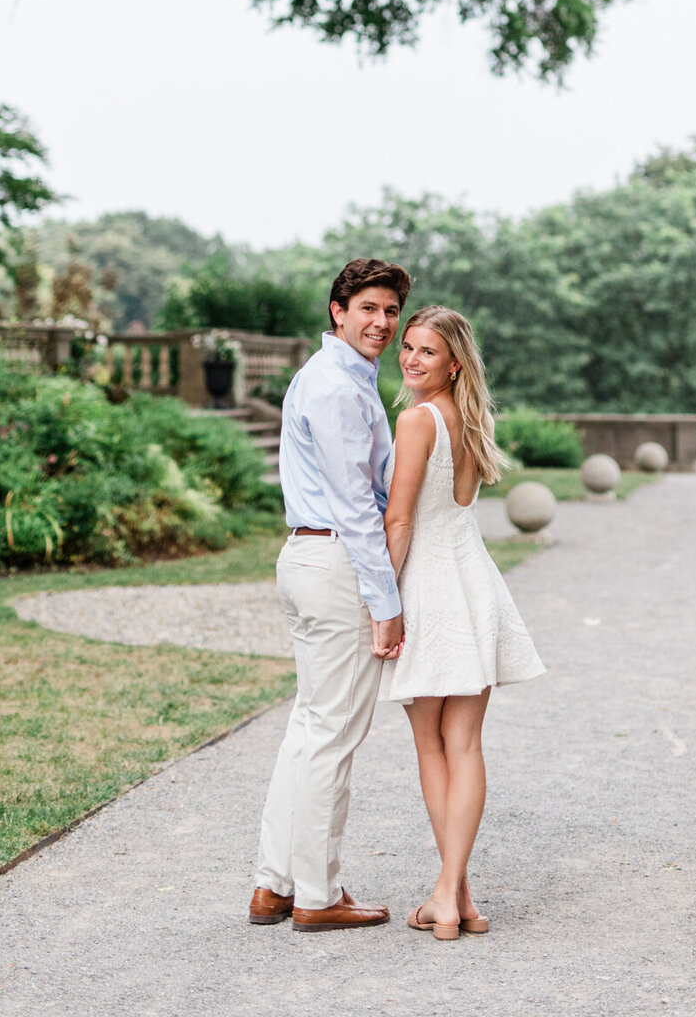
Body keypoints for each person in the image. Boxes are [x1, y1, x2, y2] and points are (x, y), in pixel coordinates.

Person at [250, 256, 412, 934]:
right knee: (332, 736)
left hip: (312, 556)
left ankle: (274, 885)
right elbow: (355, 505)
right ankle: (318, 894)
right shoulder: (339, 388)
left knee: (310, 728)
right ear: (336, 311)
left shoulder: (334, 377)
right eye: (367, 308)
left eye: (390, 310)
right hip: (336, 561)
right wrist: (386, 603)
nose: (381, 322)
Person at [379, 305, 545, 941]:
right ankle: (461, 896)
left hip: (428, 586)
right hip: (474, 582)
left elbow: (400, 520)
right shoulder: (472, 420)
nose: (412, 359)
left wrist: (383, 603)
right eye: (408, 348)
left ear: (453, 363)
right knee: (466, 743)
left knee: (433, 743)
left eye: (426, 351)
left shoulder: (418, 419)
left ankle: (446, 894)